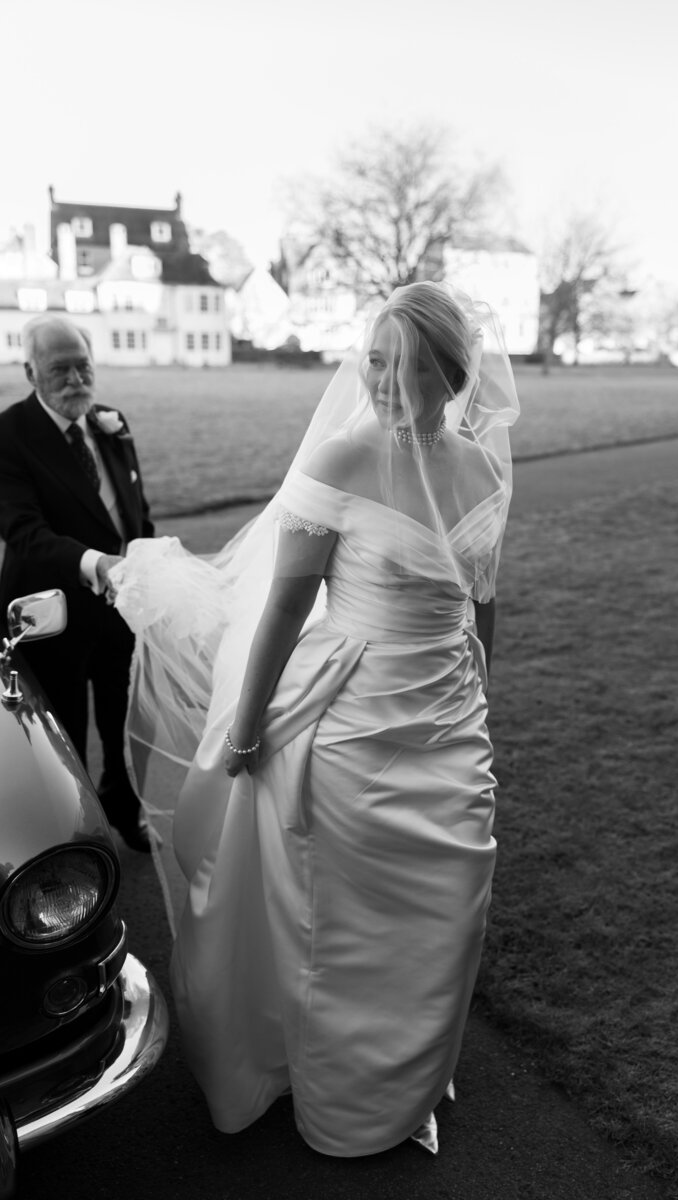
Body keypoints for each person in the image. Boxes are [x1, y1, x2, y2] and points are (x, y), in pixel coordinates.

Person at [112, 281, 519, 1153]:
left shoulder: (483, 466)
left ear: (451, 377)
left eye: (401, 365)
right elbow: (285, 611)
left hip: (450, 721)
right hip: (355, 725)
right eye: (371, 358)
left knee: (446, 918)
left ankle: (408, 1083)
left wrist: (481, 686)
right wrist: (248, 728)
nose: (378, 379)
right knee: (346, 925)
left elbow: (483, 599)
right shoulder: (339, 460)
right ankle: (343, 1100)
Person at [0, 314, 155, 852]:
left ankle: (122, 806)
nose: (74, 379)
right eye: (59, 369)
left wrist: (148, 564)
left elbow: (137, 513)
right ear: (31, 372)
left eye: (82, 366)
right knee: (58, 738)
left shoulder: (113, 421)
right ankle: (73, 844)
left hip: (120, 608)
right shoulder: (10, 433)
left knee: (124, 720)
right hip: (49, 614)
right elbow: (24, 533)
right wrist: (97, 564)